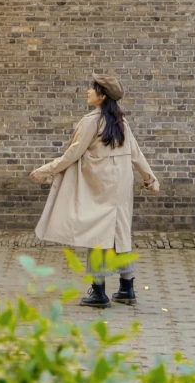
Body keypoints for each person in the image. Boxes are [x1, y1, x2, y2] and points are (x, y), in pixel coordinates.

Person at [30, 73, 159, 307]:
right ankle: (127, 287)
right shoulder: (121, 122)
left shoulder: (91, 122)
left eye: (92, 88)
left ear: (102, 96)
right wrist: (150, 179)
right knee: (120, 231)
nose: (88, 91)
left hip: (99, 185)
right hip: (121, 185)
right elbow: (136, 154)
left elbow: (72, 154)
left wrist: (46, 170)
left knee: (97, 233)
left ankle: (99, 291)